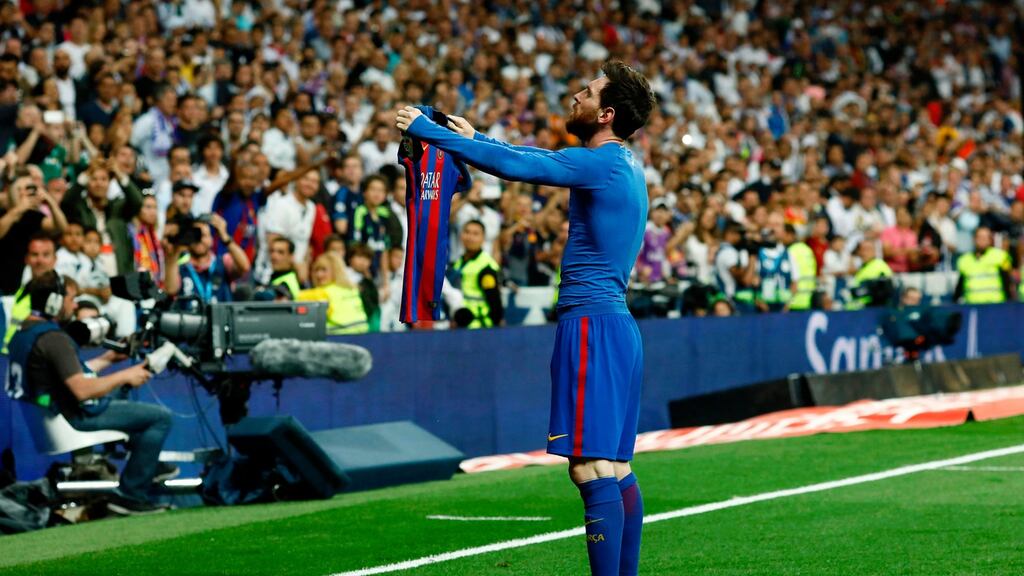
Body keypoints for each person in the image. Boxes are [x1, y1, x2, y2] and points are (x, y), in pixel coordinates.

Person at [398, 60, 655, 576]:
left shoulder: (601, 162)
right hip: (617, 327)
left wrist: (426, 131)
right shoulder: (622, 163)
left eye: (587, 92)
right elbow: (531, 156)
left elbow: (526, 166)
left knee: (589, 468)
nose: (574, 96)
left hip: (592, 326)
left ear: (606, 113)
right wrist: (476, 136)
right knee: (617, 468)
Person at [6, 270, 172, 515]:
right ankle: (131, 494)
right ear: (54, 301)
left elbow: (61, 378)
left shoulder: (23, 334)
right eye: (71, 298)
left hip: (53, 414)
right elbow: (81, 390)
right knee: (161, 417)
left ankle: (145, 463)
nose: (74, 306)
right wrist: (125, 374)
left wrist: (107, 360)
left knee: (124, 392)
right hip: (72, 417)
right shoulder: (53, 339)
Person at [164, 214, 250, 303]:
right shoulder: (180, 266)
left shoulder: (222, 262)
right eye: (196, 235)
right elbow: (170, 290)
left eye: (204, 235)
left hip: (221, 315)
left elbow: (244, 267)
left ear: (211, 239)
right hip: (191, 316)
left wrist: (225, 237)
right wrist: (175, 252)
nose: (200, 240)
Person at [297, 252, 368, 335]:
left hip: (338, 336)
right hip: (363, 334)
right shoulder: (352, 289)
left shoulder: (322, 292)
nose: (319, 275)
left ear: (336, 270)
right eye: (316, 270)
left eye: (324, 270)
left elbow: (294, 296)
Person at [453, 220, 503, 329]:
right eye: (467, 232)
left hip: (479, 326)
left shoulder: (486, 267)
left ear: (483, 239)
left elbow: (495, 303)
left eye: (475, 234)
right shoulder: (459, 262)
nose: (470, 237)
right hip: (461, 324)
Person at [955, 226, 1013, 304]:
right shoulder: (964, 260)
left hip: (996, 306)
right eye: (980, 237)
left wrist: (1009, 303)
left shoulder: (1000, 256)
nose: (982, 240)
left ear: (990, 240)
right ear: (974, 239)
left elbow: (1007, 282)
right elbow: (959, 286)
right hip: (972, 307)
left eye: (985, 238)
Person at [784, 225, 817, 311]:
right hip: (807, 298)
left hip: (792, 301)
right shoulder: (808, 249)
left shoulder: (789, 251)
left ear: (790, 235)